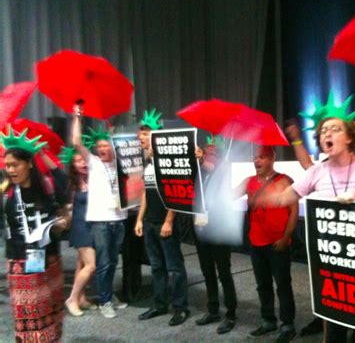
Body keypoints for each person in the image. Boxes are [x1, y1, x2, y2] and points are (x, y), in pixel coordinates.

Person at [278, 102, 355, 342]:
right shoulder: (317, 171)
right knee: (333, 331)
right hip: (332, 268)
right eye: (324, 131)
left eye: (335, 129)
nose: (327, 133)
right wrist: (260, 196)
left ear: (349, 138)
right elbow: (285, 197)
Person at [1, 127, 68, 342]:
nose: (10, 170)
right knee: (28, 318)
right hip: (20, 262)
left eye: (15, 165)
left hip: (49, 258)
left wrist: (62, 223)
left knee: (52, 313)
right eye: (7, 165)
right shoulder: (6, 193)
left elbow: (64, 188)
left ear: (29, 163)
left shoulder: (47, 186)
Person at [234, 146, 298, 342]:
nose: (257, 161)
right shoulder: (248, 182)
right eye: (255, 157)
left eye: (261, 157)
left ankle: (288, 324)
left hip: (277, 243)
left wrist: (285, 238)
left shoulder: (283, 181)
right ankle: (268, 320)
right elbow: (227, 196)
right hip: (256, 242)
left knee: (283, 285)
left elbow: (294, 212)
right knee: (263, 285)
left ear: (272, 159)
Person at [72, 103, 128, 319]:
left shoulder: (121, 164)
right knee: (103, 264)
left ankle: (108, 295)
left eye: (107, 146)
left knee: (113, 261)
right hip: (101, 222)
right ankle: (104, 300)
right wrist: (78, 117)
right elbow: (77, 141)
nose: (103, 149)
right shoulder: (93, 162)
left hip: (119, 219)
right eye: (100, 146)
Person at [134, 110, 190, 326]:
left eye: (145, 136)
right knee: (157, 266)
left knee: (174, 267)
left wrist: (169, 221)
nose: (141, 140)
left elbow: (178, 191)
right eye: (140, 137)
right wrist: (140, 218)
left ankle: (181, 307)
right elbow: (146, 193)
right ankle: (159, 304)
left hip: (166, 223)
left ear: (157, 137)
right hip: (149, 222)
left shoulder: (170, 159)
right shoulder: (148, 162)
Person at [193, 138, 237, 334]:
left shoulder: (224, 171)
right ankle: (213, 309)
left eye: (209, 153)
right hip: (202, 227)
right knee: (207, 271)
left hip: (219, 230)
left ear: (217, 157)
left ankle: (231, 314)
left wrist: (203, 160)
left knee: (224, 273)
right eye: (204, 151)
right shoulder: (202, 173)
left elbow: (214, 169)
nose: (203, 155)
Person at [61, 147, 97, 317]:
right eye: (77, 161)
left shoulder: (94, 178)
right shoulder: (71, 184)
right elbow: (66, 207)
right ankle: (72, 298)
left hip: (93, 225)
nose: (82, 162)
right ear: (72, 165)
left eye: (83, 159)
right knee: (91, 265)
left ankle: (82, 298)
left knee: (81, 264)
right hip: (80, 226)